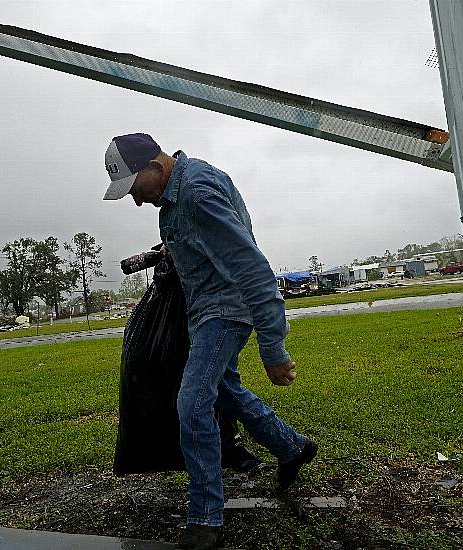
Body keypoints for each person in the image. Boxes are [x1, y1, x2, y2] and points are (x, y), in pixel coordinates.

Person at [102, 133, 317, 550]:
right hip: (204, 311)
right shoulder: (175, 196)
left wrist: (273, 348)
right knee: (222, 390)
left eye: (134, 189)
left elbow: (253, 269)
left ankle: (205, 519)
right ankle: (291, 447)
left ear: (155, 166)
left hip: (224, 312)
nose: (136, 200)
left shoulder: (196, 193)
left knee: (193, 402)